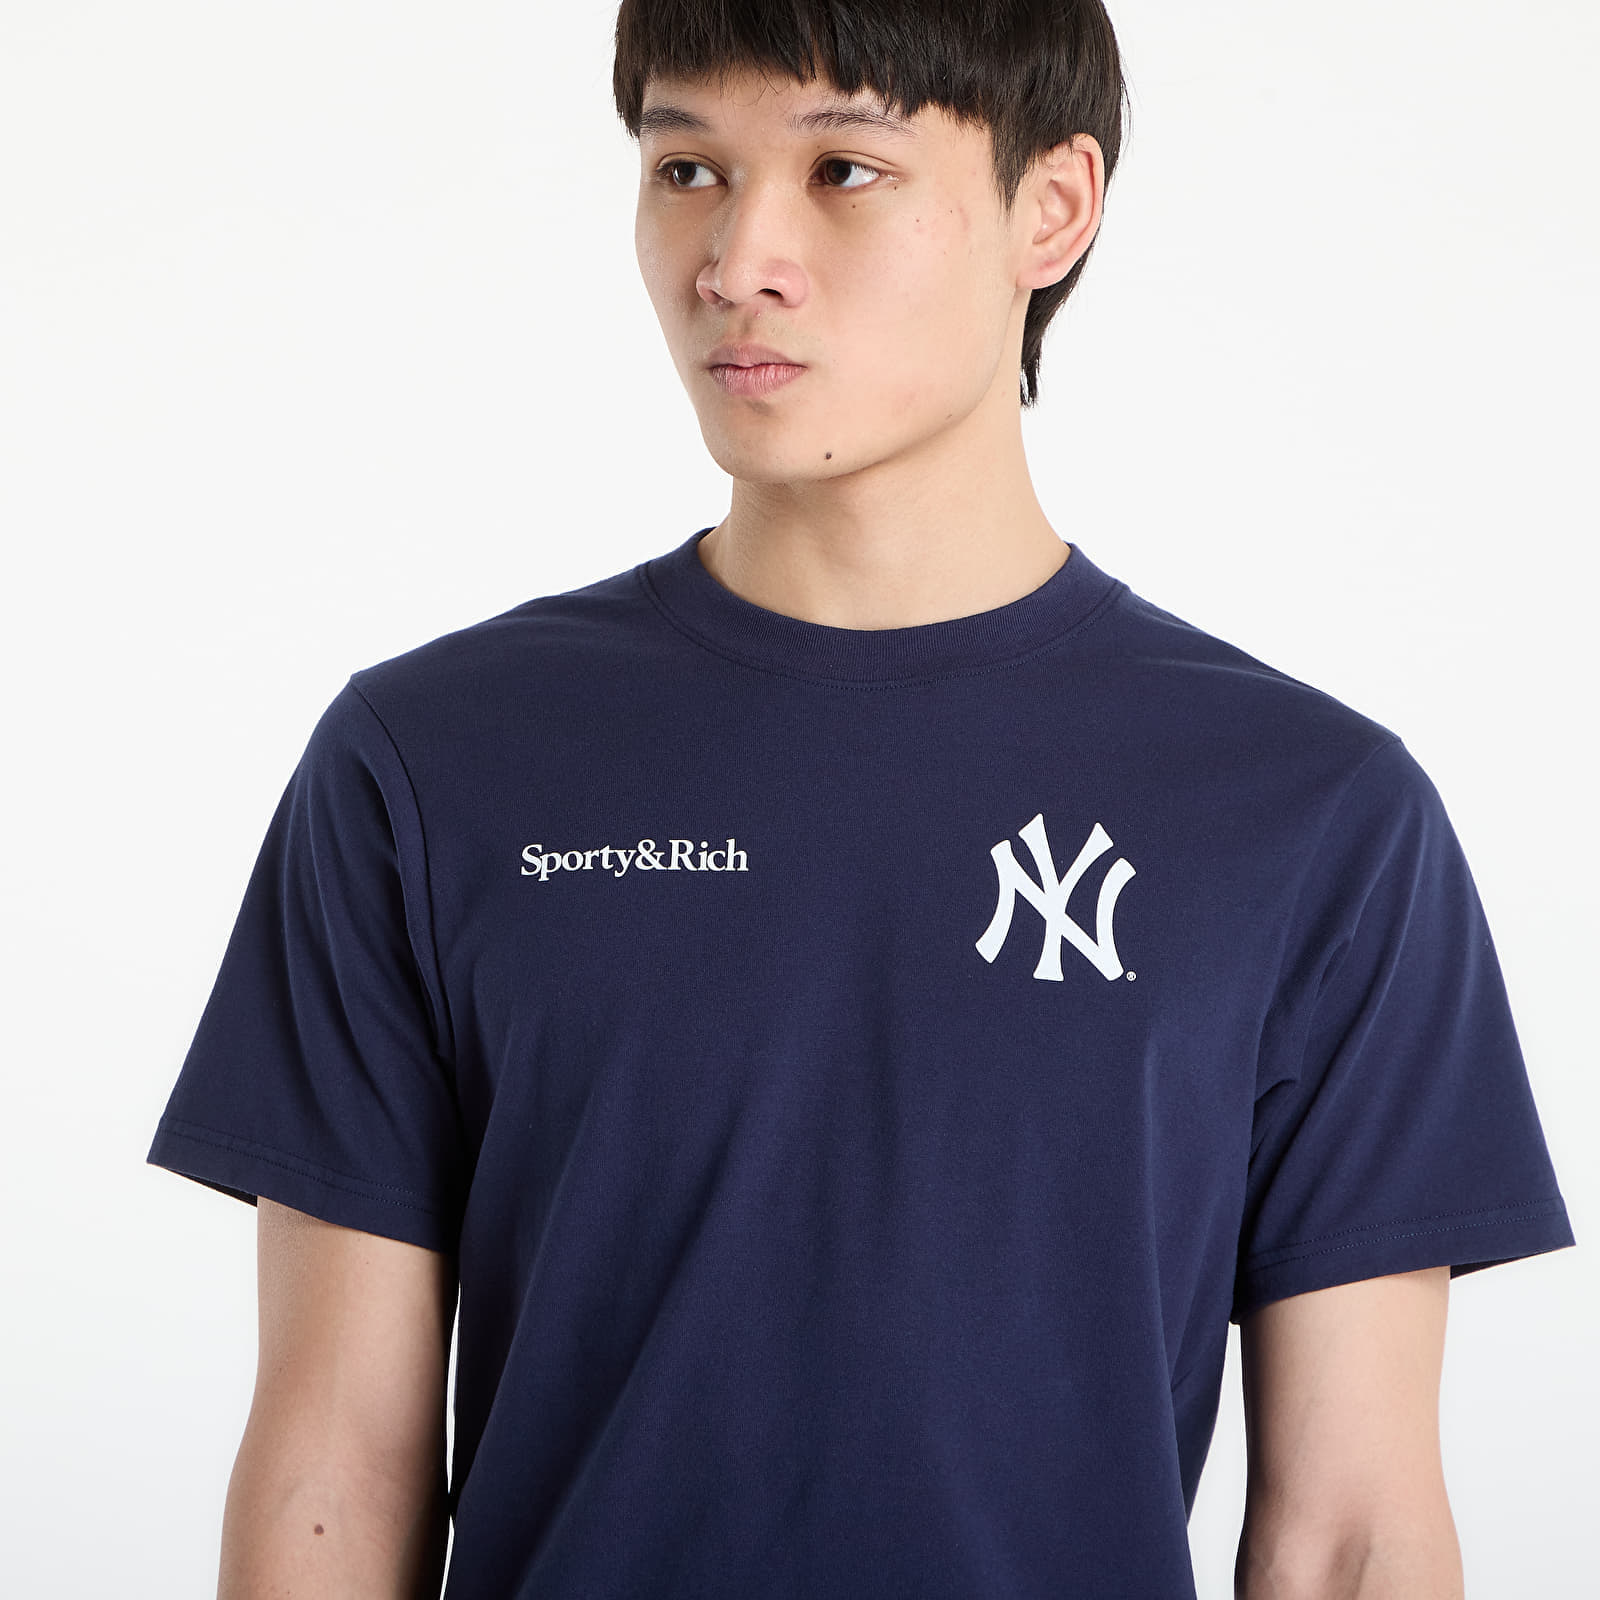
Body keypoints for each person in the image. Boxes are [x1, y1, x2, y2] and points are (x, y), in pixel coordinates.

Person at [146, 2, 1577, 1596]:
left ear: (1054, 207)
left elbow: (1353, 1532)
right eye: (688, 168)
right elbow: (334, 1465)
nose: (737, 258)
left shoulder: (1312, 816)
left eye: (843, 170)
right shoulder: (430, 763)